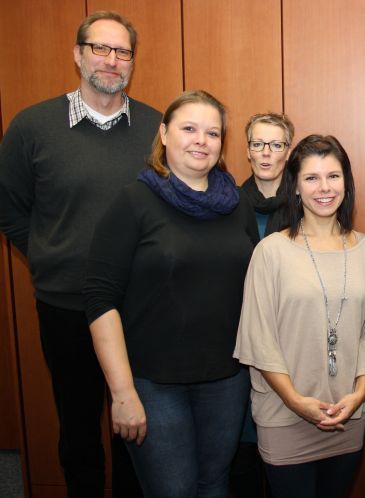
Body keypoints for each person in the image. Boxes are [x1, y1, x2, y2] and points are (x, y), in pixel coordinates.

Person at [0, 11, 160, 497]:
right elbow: (11, 210)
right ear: (78, 54)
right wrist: (50, 257)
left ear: (133, 60)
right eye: (100, 48)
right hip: (65, 307)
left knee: (136, 430)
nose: (112, 61)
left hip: (141, 309)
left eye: (123, 51)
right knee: (79, 428)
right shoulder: (32, 126)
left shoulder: (158, 128)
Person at [84, 90, 258, 497]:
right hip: (153, 384)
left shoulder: (236, 205)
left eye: (212, 132)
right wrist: (122, 393)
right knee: (173, 490)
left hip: (226, 380)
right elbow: (99, 298)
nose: (202, 140)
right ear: (164, 134)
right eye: (189, 128)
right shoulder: (135, 201)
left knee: (215, 484)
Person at [234, 134, 365, 498]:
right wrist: (295, 400)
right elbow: (259, 337)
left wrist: (358, 395)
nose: (324, 188)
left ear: (346, 184)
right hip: (284, 414)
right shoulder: (271, 252)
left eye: (333, 176)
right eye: (312, 178)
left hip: (347, 414)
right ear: (296, 187)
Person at [231, 112, 295, 498]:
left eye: (276, 144)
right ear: (247, 150)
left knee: (287, 454)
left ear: (289, 151)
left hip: (292, 343)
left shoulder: (309, 203)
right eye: (258, 144)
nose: (266, 153)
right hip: (239, 344)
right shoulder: (226, 204)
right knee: (243, 453)